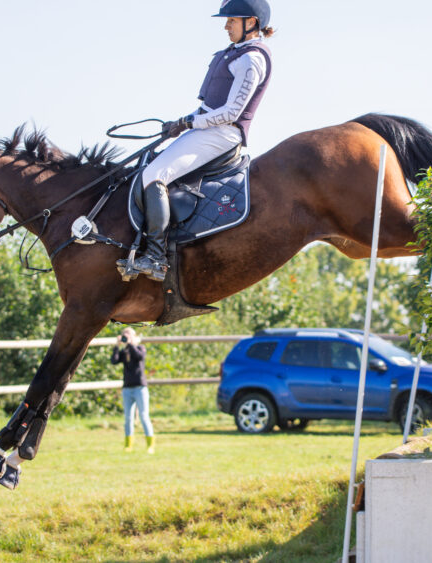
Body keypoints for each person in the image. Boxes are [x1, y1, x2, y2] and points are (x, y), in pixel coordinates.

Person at [120, 0, 275, 282]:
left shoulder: (251, 59)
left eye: (232, 20)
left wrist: (189, 123)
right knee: (148, 166)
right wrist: (182, 122)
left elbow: (231, 113)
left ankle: (155, 257)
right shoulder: (234, 53)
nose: (226, 26)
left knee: (155, 175)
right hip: (207, 129)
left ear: (251, 22)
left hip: (223, 134)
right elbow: (208, 107)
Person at [111, 327, 155, 453]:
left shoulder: (140, 348)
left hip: (140, 388)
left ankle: (150, 445)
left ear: (134, 336)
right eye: (124, 335)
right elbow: (114, 361)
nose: (126, 337)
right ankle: (128, 445)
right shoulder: (125, 351)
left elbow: (139, 357)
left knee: (144, 416)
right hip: (127, 388)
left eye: (128, 335)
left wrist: (131, 344)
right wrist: (117, 346)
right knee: (128, 418)